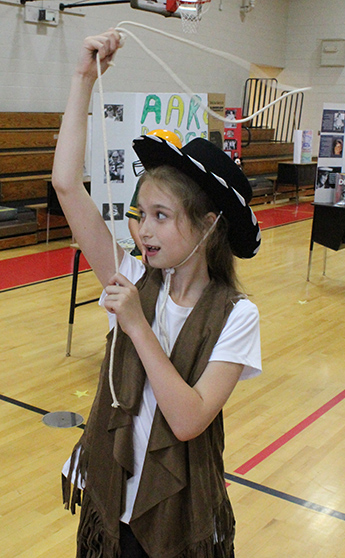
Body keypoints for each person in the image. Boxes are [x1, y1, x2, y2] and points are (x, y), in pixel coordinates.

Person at [52, 29, 262, 558]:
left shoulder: (236, 315)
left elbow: (189, 419)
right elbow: (65, 185)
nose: (143, 230)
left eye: (161, 216)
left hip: (180, 519)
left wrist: (138, 327)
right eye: (141, 215)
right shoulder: (129, 276)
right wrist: (83, 79)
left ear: (209, 227)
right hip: (112, 502)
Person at [127, 129, 183, 258]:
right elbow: (133, 220)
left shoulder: (183, 186)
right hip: (144, 253)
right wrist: (143, 249)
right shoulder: (145, 181)